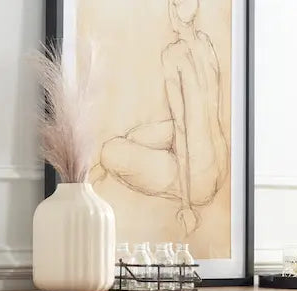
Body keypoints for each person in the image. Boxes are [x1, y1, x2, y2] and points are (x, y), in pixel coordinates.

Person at [95, 0, 229, 235]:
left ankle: (114, 161)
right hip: (219, 164)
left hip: (198, 182)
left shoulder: (173, 54)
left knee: (110, 150)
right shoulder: (206, 44)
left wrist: (186, 205)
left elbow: (181, 127)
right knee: (136, 135)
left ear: (173, 10)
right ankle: (133, 145)